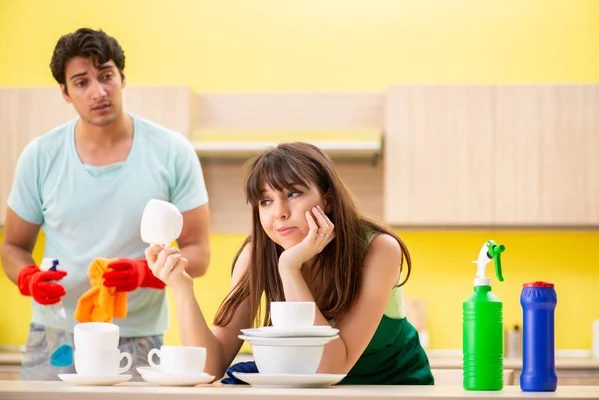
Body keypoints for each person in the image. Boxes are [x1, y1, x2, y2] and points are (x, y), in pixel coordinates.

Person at [0, 28, 211, 381]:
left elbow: (199, 252)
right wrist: (26, 277)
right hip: (55, 333)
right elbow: (12, 246)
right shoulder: (40, 156)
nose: (98, 92)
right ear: (65, 93)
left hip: (139, 335)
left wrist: (147, 274)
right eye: (81, 82)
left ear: (122, 78)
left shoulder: (172, 152)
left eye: (106, 76)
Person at [146, 142, 433, 385]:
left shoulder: (378, 250)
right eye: (266, 201)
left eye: (293, 194)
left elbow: (333, 367)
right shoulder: (255, 255)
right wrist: (182, 288)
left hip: (395, 390)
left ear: (328, 200)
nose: (279, 213)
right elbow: (208, 368)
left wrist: (289, 268)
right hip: (311, 392)